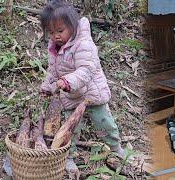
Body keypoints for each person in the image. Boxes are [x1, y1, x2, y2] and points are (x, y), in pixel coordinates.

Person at [39, 0, 126, 175]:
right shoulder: (54, 47)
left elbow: (86, 71)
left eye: (60, 31)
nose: (56, 36)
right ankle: (69, 157)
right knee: (69, 129)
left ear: (72, 25)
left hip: (91, 93)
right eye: (51, 32)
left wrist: (67, 81)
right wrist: (47, 86)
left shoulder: (83, 44)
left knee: (104, 123)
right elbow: (52, 70)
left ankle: (116, 148)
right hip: (71, 97)